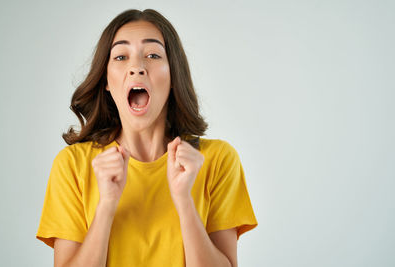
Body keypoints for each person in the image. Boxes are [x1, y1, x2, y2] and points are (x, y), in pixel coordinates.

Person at [36, 8, 258, 267]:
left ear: (174, 75)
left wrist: (185, 202)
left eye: (153, 55)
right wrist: (106, 205)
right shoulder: (72, 165)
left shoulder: (217, 159)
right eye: (121, 56)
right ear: (106, 79)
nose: (137, 67)